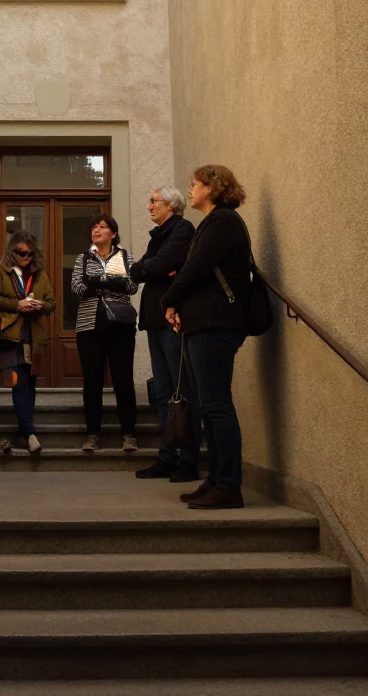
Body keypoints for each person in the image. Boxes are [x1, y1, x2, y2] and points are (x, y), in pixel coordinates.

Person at [162, 164, 254, 510]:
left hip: (216, 325)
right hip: (206, 324)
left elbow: (196, 268)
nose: (190, 189)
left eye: (195, 184)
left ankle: (228, 485)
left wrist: (169, 299)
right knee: (210, 405)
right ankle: (216, 479)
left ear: (212, 188)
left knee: (216, 405)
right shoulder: (214, 223)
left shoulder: (223, 221)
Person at [129, 185, 203, 482]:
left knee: (181, 392)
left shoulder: (182, 230)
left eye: (153, 202)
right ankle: (167, 457)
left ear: (170, 206)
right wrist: (149, 268)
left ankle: (188, 460)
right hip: (156, 321)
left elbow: (165, 265)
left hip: (173, 321)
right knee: (162, 393)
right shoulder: (160, 235)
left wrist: (150, 268)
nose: (149, 207)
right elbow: (139, 272)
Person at [70, 214, 140, 452]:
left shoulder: (124, 256)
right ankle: (92, 434)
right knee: (92, 381)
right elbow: (77, 287)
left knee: (123, 380)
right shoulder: (83, 257)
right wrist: (109, 280)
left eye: (102, 226)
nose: (97, 230)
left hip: (120, 325)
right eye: (94, 226)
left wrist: (99, 280)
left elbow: (132, 285)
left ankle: (129, 434)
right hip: (89, 326)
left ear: (113, 233)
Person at [0, 231, 55, 454]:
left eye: (30, 253)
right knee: (18, 383)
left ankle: (25, 431)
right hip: (9, 337)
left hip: (34, 337)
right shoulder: (0, 271)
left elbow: (51, 302)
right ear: (12, 251)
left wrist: (39, 306)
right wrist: (18, 305)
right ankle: (30, 432)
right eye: (21, 252)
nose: (26, 256)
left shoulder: (40, 274)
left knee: (31, 384)